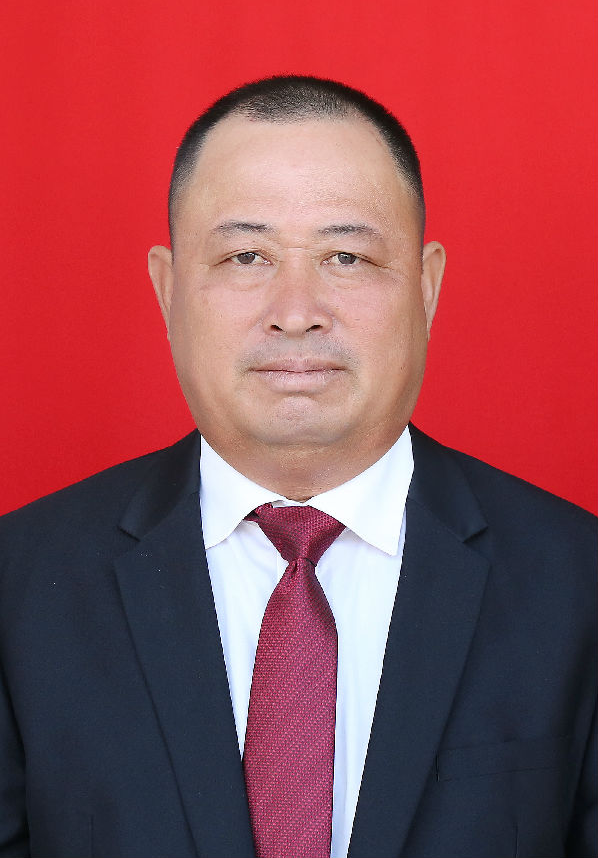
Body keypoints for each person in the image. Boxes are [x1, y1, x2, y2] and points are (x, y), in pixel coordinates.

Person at [0, 76, 595, 858]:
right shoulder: (19, 586)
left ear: (426, 288)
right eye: (246, 256)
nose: (296, 311)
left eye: (346, 256)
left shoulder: (578, 582)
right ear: (168, 290)